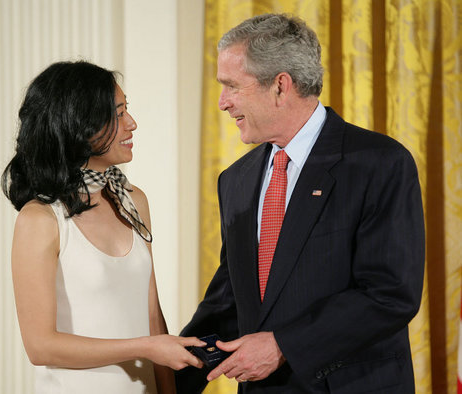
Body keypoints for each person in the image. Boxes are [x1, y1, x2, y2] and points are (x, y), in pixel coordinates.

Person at [176, 13, 425, 394]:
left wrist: (282, 345)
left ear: (280, 86)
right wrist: (165, 380)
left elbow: (389, 293)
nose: (223, 103)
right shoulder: (236, 180)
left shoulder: (379, 162)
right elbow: (229, 301)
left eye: (231, 87)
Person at [2, 61, 205, 394]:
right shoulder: (40, 219)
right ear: (79, 126)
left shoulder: (133, 200)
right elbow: (41, 346)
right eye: (119, 113)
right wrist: (143, 348)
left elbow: (154, 317)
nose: (132, 124)